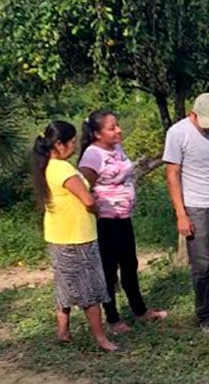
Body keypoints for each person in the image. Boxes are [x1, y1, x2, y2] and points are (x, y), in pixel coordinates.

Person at [78, 110, 167, 333]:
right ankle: (113, 318)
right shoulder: (92, 156)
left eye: (117, 125)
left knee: (130, 264)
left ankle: (140, 310)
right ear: (97, 133)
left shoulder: (116, 148)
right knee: (108, 270)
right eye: (111, 128)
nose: (118, 130)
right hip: (106, 222)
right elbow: (82, 189)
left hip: (123, 218)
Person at [32, 120, 117, 351]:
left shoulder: (46, 165)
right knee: (90, 290)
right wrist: (98, 208)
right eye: (71, 142)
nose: (74, 147)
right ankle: (100, 338)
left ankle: (63, 331)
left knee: (65, 284)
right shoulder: (63, 168)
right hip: (77, 236)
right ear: (58, 144)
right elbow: (88, 200)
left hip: (58, 234)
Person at [163, 93, 209, 333]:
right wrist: (181, 214)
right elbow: (173, 174)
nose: (208, 130)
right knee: (201, 265)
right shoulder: (178, 133)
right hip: (196, 206)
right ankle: (207, 315)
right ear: (192, 115)